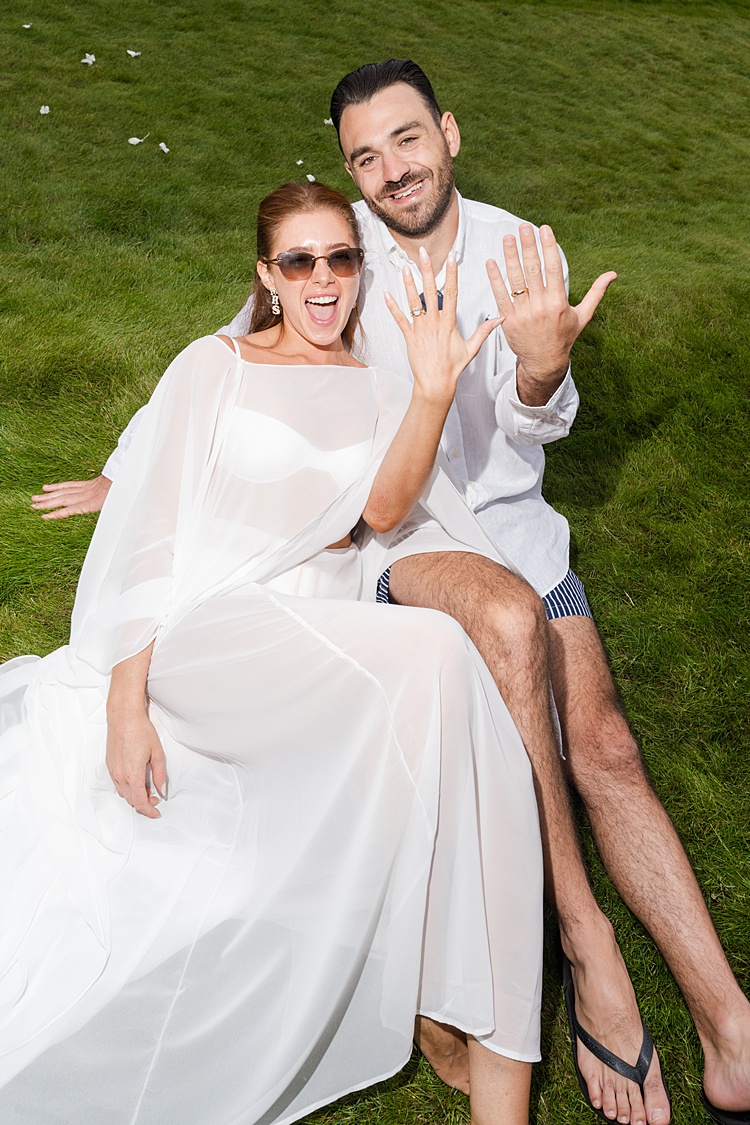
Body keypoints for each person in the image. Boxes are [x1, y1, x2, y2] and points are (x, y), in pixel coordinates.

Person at [31, 61, 750, 1125]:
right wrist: (123, 473)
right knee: (504, 632)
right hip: (397, 539)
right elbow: (233, 365)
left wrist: (545, 370)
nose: (389, 171)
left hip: (506, 528)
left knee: (601, 744)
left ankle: (729, 1025)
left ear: (449, 133)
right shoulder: (340, 247)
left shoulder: (515, 248)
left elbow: (529, 415)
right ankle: (583, 941)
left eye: (406, 142)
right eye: (365, 155)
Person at [0, 182, 546, 1124]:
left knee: (452, 690)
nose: (324, 280)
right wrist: (125, 701)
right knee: (441, 661)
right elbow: (150, 540)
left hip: (302, 628)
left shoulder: (375, 378)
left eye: (341, 258)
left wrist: (428, 390)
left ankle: (500, 1074)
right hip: (196, 629)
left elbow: (382, 509)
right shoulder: (215, 366)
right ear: (267, 275)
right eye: (300, 261)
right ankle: (452, 1002)